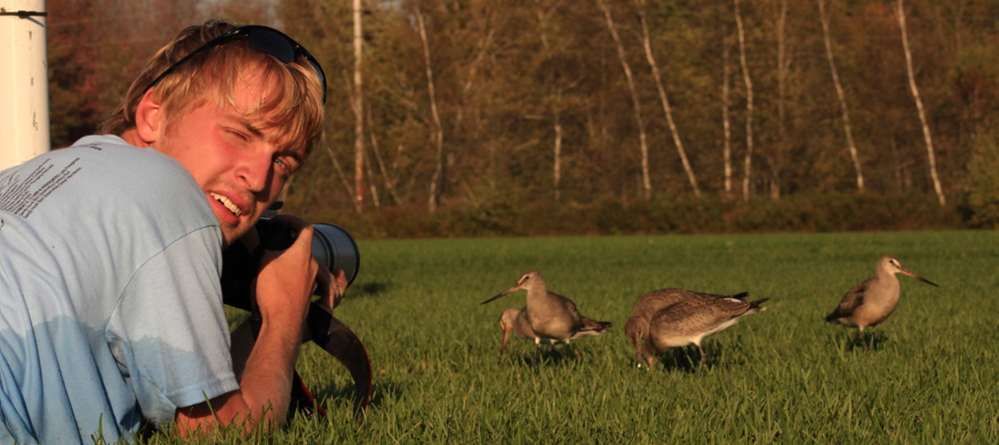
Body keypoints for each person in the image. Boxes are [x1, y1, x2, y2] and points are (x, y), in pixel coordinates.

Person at [0, 19, 344, 443]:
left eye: (282, 163)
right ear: (153, 115)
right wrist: (284, 314)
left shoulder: (35, 175)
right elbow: (221, 435)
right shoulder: (167, 190)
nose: (257, 180)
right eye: (238, 134)